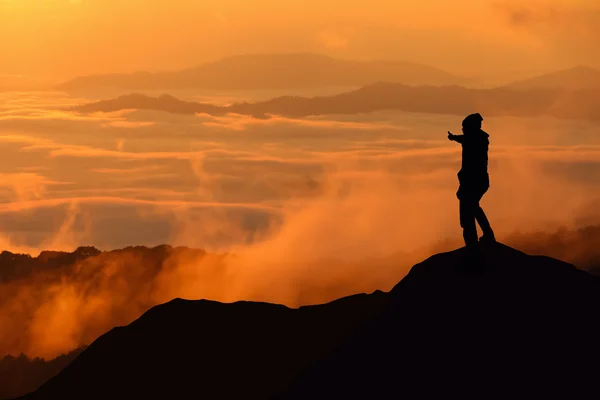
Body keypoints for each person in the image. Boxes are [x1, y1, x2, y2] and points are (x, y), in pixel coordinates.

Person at [448, 113, 496, 248]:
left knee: (469, 211)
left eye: (465, 127)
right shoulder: (477, 138)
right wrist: (454, 138)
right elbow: (464, 138)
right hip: (473, 181)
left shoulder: (476, 139)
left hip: (473, 182)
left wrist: (454, 138)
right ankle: (480, 238)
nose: (463, 130)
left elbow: (465, 139)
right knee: (471, 209)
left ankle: (475, 243)